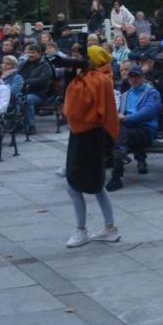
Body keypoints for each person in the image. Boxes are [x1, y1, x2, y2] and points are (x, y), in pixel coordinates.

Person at [60, 47, 121, 247]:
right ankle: (109, 227)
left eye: (84, 58)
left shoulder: (100, 79)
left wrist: (77, 78)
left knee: (82, 183)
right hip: (80, 134)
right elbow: (70, 99)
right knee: (91, 184)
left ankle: (82, 230)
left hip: (91, 136)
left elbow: (80, 104)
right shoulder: (89, 78)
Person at [107, 65, 161, 191]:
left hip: (145, 131)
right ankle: (117, 165)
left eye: (137, 76)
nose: (133, 79)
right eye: (131, 77)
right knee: (115, 138)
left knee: (119, 136)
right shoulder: (125, 95)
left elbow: (148, 112)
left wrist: (126, 119)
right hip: (127, 131)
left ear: (143, 77)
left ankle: (116, 176)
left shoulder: (152, 93)